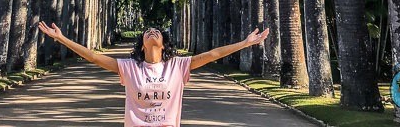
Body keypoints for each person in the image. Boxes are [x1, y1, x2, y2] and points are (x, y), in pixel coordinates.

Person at [38, 21, 269, 127]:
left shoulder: (177, 66)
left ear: (163, 44)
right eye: (147, 32)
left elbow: (212, 54)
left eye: (156, 31)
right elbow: (94, 57)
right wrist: (61, 38)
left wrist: (245, 43)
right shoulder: (130, 68)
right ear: (142, 46)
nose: (151, 32)